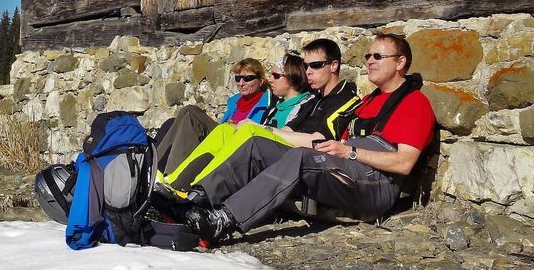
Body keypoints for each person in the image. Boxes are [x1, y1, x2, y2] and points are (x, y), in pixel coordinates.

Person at [185, 33, 437, 242]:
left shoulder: (415, 103)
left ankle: (224, 220)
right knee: (257, 145)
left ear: (401, 62)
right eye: (368, 56)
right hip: (347, 170)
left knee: (300, 157)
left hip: (377, 185)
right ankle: (197, 198)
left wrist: (349, 152)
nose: (370, 61)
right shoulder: (371, 99)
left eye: (378, 56)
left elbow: (404, 163)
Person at [157, 52, 313, 191]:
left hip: (270, 155)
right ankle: (173, 179)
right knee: (220, 129)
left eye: (276, 76)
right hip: (251, 144)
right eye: (238, 78)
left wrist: (253, 126)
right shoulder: (269, 104)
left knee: (202, 117)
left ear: (292, 78)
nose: (241, 82)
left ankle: (194, 185)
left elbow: (285, 134)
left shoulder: (295, 103)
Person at [154, 58, 272, 177]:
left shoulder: (267, 103)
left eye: (247, 79)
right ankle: (155, 166)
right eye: (238, 78)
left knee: (191, 112)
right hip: (222, 135)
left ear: (261, 81)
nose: (241, 83)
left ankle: (167, 172)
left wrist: (237, 127)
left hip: (238, 142)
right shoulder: (235, 101)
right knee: (171, 122)